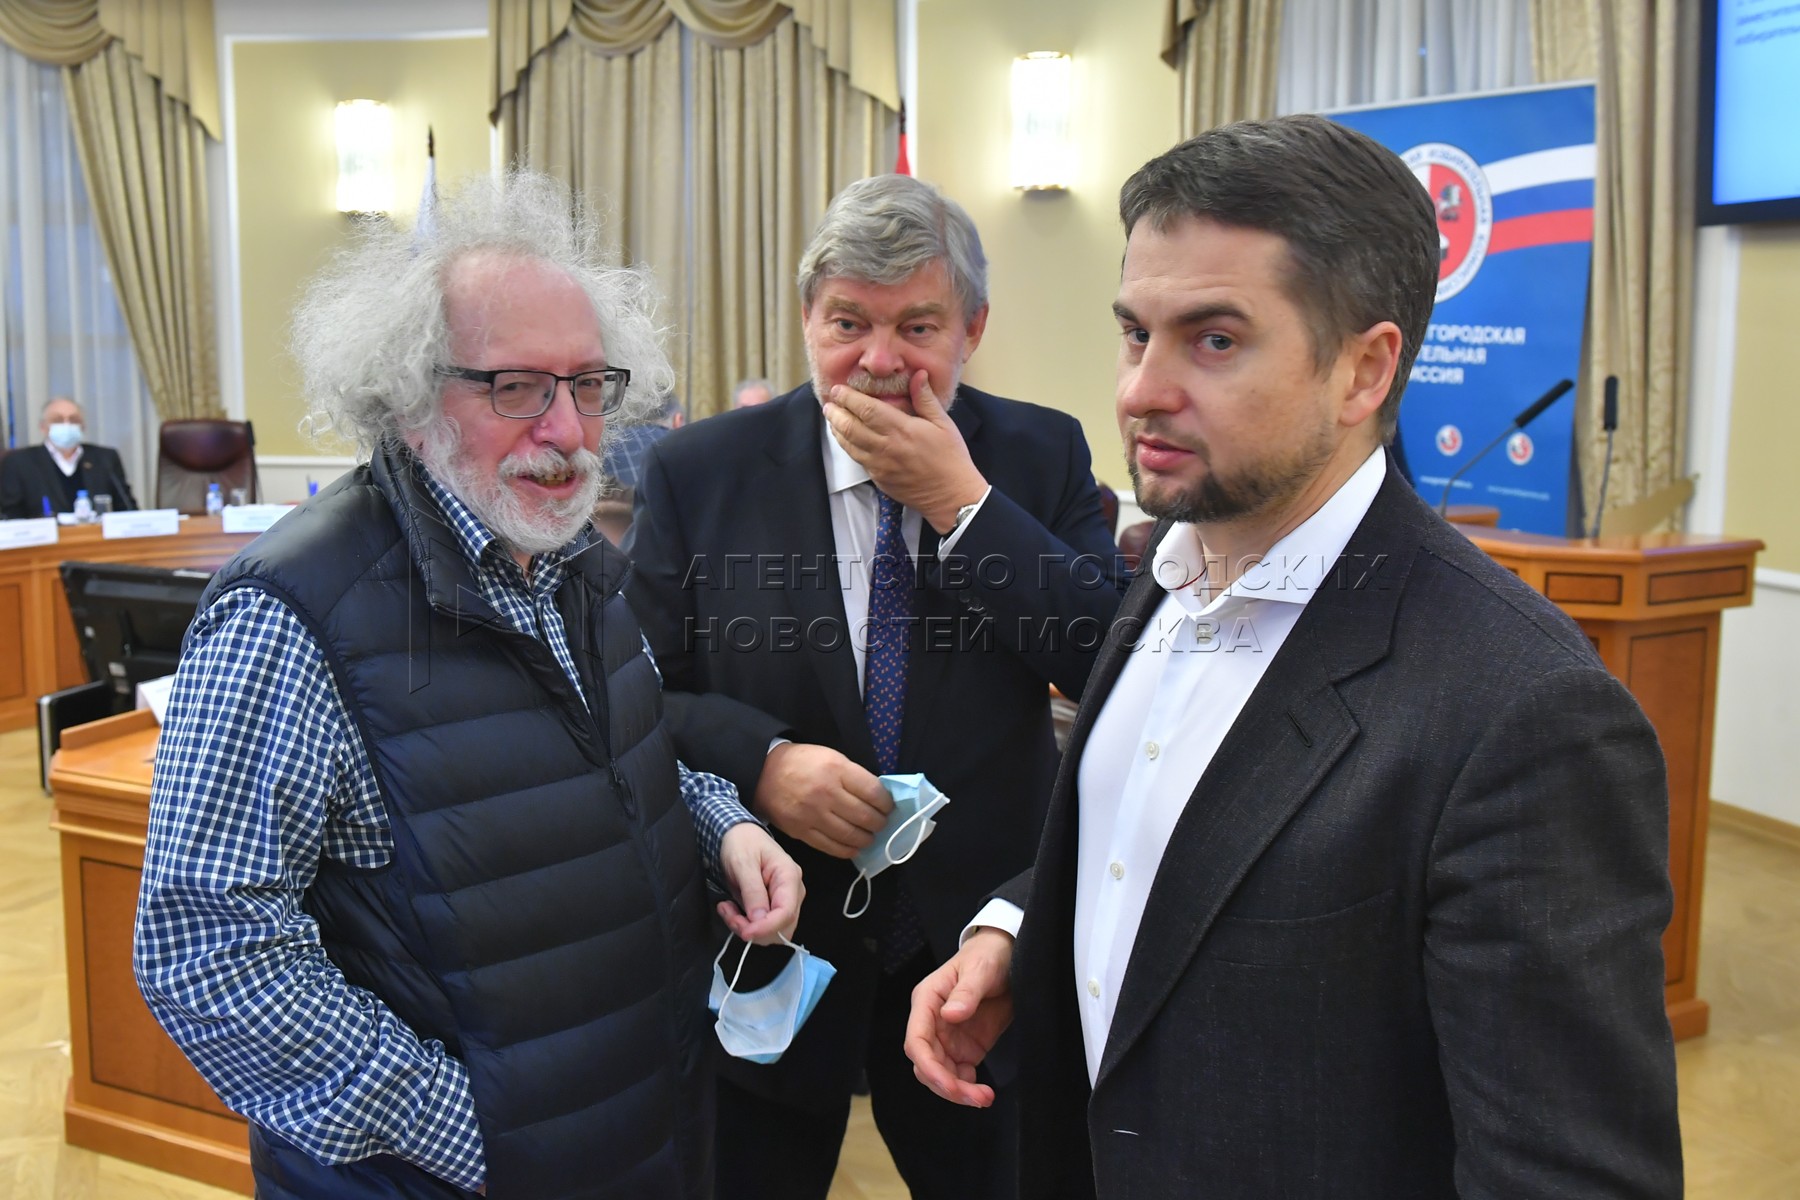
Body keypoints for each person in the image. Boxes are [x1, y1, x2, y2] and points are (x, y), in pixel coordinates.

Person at [907, 115, 1683, 1199]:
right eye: (1135, 333)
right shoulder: (1168, 571)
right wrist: (1022, 931)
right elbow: (1171, 835)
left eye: (1215, 341)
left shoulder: (1525, 714)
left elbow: (1569, 1174)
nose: (1139, 390)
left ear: (1364, 370)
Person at [134, 170, 804, 1200]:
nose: (569, 431)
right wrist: (481, 1133)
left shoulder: (571, 557)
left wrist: (719, 825)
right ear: (409, 399)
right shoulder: (290, 615)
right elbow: (208, 952)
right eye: (517, 388)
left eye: (589, 385)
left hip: (645, 1130)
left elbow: (606, 763)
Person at [624, 173, 1125, 1199]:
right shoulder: (700, 472)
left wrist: (962, 505)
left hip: (976, 962)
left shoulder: (1040, 455)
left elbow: (1104, 664)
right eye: (848, 323)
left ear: (973, 329)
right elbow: (637, 695)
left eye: (918, 327)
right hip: (774, 942)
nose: (882, 361)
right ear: (807, 319)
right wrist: (762, 762)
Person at [0, 395, 138, 518]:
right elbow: (11, 515)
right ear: (43, 427)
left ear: (83, 427)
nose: (67, 425)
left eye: (74, 420)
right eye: (58, 420)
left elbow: (127, 507)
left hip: (96, 536)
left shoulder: (105, 458)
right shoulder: (19, 462)